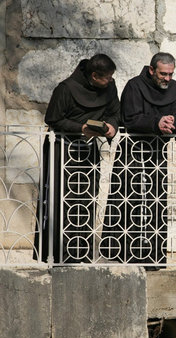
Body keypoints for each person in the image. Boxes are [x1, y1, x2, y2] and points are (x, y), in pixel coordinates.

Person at [101, 52, 176, 269]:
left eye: (170, 74)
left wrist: (172, 121)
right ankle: (127, 254)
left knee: (155, 203)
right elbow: (129, 118)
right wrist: (156, 122)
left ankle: (153, 256)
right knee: (130, 203)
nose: (167, 79)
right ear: (151, 70)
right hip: (132, 154)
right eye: (163, 74)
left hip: (157, 155)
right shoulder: (134, 86)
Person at [33, 53, 120, 263]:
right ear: (93, 75)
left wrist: (111, 127)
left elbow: (115, 113)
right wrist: (80, 128)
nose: (110, 81)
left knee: (86, 200)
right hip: (62, 150)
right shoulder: (66, 88)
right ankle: (58, 254)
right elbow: (53, 118)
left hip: (88, 151)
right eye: (106, 78)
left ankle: (81, 252)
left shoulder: (110, 87)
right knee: (60, 201)